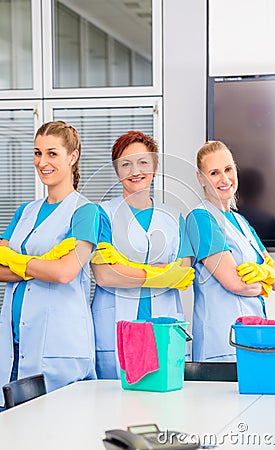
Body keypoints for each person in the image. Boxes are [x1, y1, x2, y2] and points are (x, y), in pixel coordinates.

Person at [0, 120, 100, 410]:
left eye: (52, 153)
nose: (42, 162)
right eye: (37, 153)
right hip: (14, 343)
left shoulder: (86, 212)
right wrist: (44, 265)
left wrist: (16, 261)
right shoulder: (25, 211)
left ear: (73, 156)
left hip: (60, 346)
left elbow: (66, 272)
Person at [91, 130, 194, 379]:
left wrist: (126, 267)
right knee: (113, 406)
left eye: (143, 162)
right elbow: (105, 275)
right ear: (117, 172)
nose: (135, 171)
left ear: (155, 167)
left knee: (164, 399)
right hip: (116, 322)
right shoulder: (101, 214)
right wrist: (162, 272)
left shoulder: (174, 217)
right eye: (126, 164)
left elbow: (184, 273)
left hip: (163, 324)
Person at [186, 140, 275, 362]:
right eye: (214, 173)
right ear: (201, 178)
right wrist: (267, 275)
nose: (224, 179)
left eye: (228, 169)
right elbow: (236, 283)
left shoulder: (240, 222)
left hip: (254, 335)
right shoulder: (201, 219)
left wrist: (267, 275)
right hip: (221, 342)